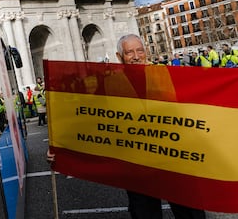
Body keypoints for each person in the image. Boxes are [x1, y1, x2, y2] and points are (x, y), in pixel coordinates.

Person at [47, 33, 206, 219]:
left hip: (175, 162)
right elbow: (88, 122)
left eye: (140, 51)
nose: (136, 56)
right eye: (129, 52)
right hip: (138, 167)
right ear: (119, 57)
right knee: (145, 214)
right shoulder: (107, 86)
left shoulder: (167, 75)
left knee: (191, 214)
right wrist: (61, 148)